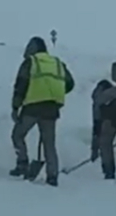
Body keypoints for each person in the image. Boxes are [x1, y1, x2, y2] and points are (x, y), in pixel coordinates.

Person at [9, 36, 75, 185]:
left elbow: (21, 85)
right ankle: (52, 176)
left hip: (32, 107)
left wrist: (15, 107)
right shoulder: (58, 63)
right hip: (51, 109)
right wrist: (54, 91)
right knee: (49, 143)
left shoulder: (30, 62)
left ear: (34, 48)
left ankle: (22, 164)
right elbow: (70, 83)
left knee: (17, 135)